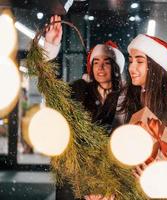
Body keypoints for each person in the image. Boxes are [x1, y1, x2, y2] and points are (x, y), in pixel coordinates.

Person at [44, 15, 125, 200]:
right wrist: (50, 50)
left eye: (106, 63)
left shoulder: (126, 98)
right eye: (96, 62)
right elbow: (52, 91)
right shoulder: (78, 90)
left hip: (111, 181)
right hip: (76, 177)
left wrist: (109, 184)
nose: (100, 68)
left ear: (116, 68)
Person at [113, 34, 167, 177]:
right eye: (131, 61)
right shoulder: (122, 101)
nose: (131, 68)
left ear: (156, 67)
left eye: (139, 62)